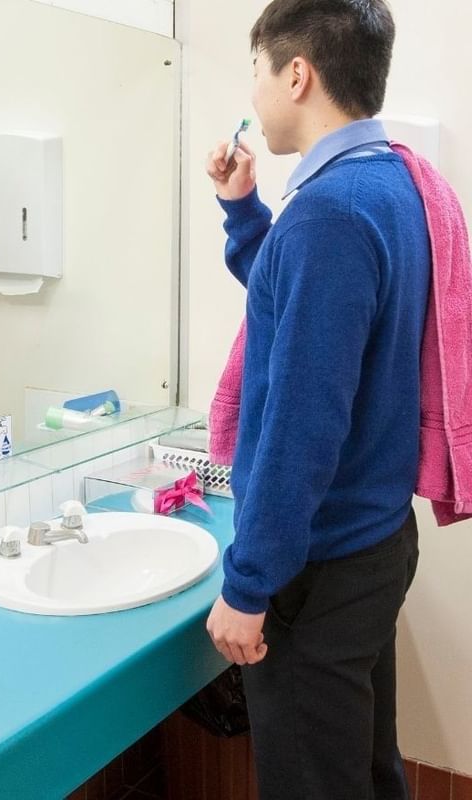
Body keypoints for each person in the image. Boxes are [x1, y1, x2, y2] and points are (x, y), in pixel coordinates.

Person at [204, 1, 428, 798]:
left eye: (257, 71)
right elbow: (303, 308)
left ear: (296, 73)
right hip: (373, 536)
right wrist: (243, 210)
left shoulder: (330, 211)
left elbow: (302, 425)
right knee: (364, 770)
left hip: (318, 563)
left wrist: (249, 584)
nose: (255, 93)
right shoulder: (390, 181)